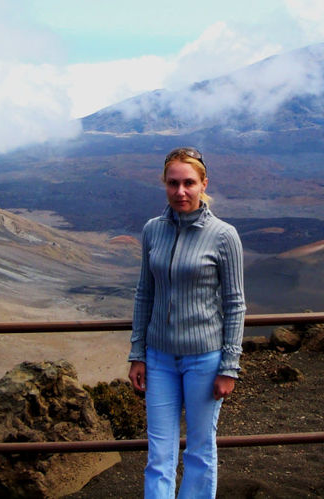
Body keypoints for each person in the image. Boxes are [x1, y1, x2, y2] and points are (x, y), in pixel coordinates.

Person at [128, 147, 246, 498]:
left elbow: (235, 304)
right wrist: (138, 353)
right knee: (159, 454)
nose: (181, 191)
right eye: (173, 183)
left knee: (200, 451)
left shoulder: (224, 236)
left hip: (205, 360)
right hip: (159, 358)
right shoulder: (153, 231)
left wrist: (229, 366)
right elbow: (144, 294)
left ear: (203, 184)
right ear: (164, 184)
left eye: (189, 183)